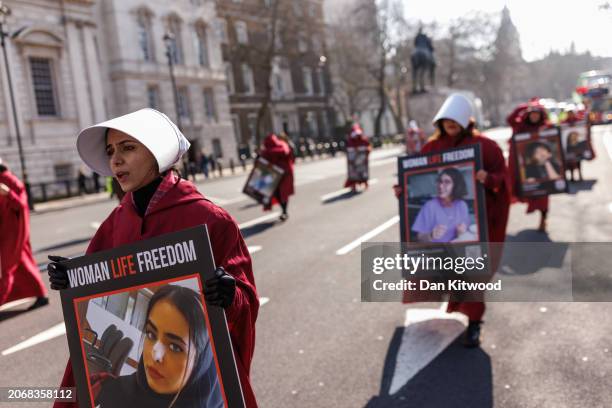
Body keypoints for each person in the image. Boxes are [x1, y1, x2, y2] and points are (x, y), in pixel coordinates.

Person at [46, 109, 259, 408]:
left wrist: (230, 294)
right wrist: (72, 279)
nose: (115, 160)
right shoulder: (116, 221)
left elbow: (245, 301)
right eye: (110, 151)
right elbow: (95, 285)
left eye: (127, 148)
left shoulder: (211, 219)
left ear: (157, 152)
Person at [395, 94, 511, 347]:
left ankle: (474, 324)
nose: (450, 124)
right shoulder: (431, 148)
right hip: (441, 245)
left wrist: (488, 179)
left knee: (474, 276)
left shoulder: (486, 147)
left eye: (454, 120)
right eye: (446, 120)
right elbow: (412, 176)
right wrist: (402, 189)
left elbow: (502, 178)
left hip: (479, 228)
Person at [93, 285, 223, 408]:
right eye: (151, 334)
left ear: (201, 362)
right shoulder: (113, 392)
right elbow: (72, 394)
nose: (156, 355)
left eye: (175, 347)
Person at [0, 158, 49, 310]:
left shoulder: (10, 181)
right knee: (22, 265)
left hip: (12, 233)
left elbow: (21, 206)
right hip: (8, 232)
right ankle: (41, 294)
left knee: (7, 268)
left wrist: (8, 193)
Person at [506, 99, 553, 232]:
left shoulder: (546, 127)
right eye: (531, 113)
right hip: (526, 168)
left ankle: (543, 220)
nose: (534, 116)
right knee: (526, 189)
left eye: (537, 113)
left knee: (544, 195)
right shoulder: (520, 127)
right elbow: (510, 119)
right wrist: (525, 106)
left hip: (542, 169)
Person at [412, 167, 471, 243]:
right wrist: (431, 235)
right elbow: (419, 237)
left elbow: (463, 234)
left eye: (447, 182)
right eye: (440, 181)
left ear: (456, 185)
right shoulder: (430, 206)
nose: (440, 186)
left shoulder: (462, 205)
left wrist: (461, 233)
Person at [259, 133, 294, 221]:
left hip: (281, 175)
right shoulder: (281, 146)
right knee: (279, 193)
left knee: (281, 193)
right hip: (277, 175)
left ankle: (284, 211)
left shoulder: (270, 150)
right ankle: (284, 211)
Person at [344, 124, 372, 192]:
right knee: (353, 174)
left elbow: (368, 146)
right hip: (353, 161)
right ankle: (353, 186)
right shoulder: (350, 141)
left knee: (363, 173)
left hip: (362, 160)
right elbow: (347, 149)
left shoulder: (363, 139)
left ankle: (365, 183)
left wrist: (366, 151)